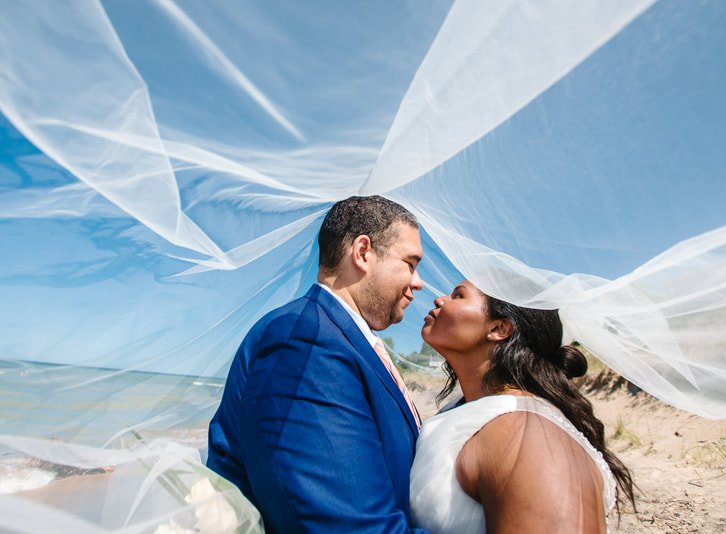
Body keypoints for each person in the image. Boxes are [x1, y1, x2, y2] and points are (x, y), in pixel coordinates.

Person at [207, 195, 427, 533]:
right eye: (410, 263)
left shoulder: (339, 337)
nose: (418, 282)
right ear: (363, 252)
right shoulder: (305, 341)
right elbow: (349, 524)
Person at [410, 280, 635, 534]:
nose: (439, 300)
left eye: (458, 296)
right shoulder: (475, 411)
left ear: (498, 328)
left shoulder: (528, 436)